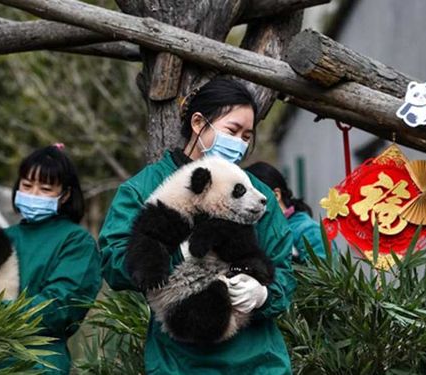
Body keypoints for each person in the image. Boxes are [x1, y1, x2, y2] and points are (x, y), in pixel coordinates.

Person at [99, 77, 296, 374]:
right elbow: (113, 262)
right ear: (198, 123)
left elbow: (283, 270)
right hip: (180, 360)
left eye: (246, 136)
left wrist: (264, 294)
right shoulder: (145, 188)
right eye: (232, 130)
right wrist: (168, 253)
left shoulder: (255, 193)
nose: (240, 143)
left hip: (256, 361)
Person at [6, 144, 101, 374]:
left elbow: (59, 307)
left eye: (45, 188)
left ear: (65, 195)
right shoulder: (2, 236)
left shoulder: (77, 242)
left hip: (39, 363)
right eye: (27, 185)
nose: (33, 194)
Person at [245, 161, 333, 263]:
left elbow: (323, 274)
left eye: (256, 196)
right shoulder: (259, 230)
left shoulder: (308, 231)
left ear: (276, 195)